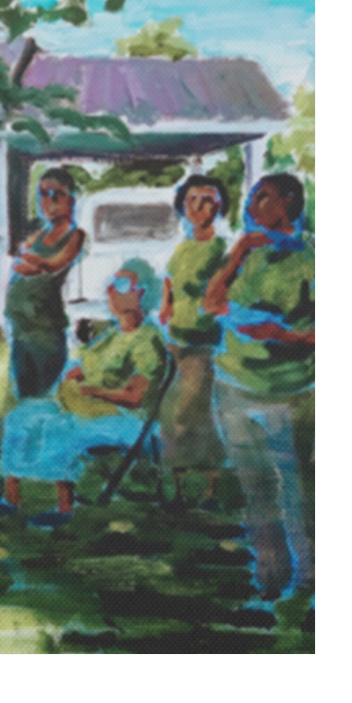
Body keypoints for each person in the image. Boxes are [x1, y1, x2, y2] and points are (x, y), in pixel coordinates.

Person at [204, 174, 315, 602]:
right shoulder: (246, 251)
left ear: (288, 203)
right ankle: (269, 572)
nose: (252, 202)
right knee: (254, 487)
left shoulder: (308, 257)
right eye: (252, 195)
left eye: (263, 196)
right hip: (234, 385)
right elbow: (212, 303)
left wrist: (281, 334)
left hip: (288, 391)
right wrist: (237, 253)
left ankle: (308, 574)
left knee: (296, 485)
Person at [0, 260, 168, 528]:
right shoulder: (113, 334)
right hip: (84, 405)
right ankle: (10, 499)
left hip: (123, 418)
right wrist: (79, 376)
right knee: (22, 415)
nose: (110, 289)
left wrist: (91, 390)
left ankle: (64, 508)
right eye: (111, 283)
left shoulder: (147, 340)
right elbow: (88, 366)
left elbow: (135, 398)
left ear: (141, 293)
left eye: (120, 284)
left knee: (58, 428)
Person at [159, 175, 230, 509]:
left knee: (195, 412)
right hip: (175, 338)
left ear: (218, 206)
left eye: (207, 200)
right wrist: (165, 306)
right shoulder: (183, 246)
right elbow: (170, 280)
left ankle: (211, 488)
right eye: (192, 200)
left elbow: (222, 292)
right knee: (171, 410)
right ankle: (176, 486)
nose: (199, 207)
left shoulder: (220, 248)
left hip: (202, 342)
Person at [4, 167, 87, 399]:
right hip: (20, 327)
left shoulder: (74, 235)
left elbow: (54, 264)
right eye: (43, 193)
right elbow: (21, 266)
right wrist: (33, 263)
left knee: (44, 395)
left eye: (57, 194)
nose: (49, 200)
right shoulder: (36, 235)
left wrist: (37, 263)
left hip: (45, 330)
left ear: (70, 198)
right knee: (24, 394)